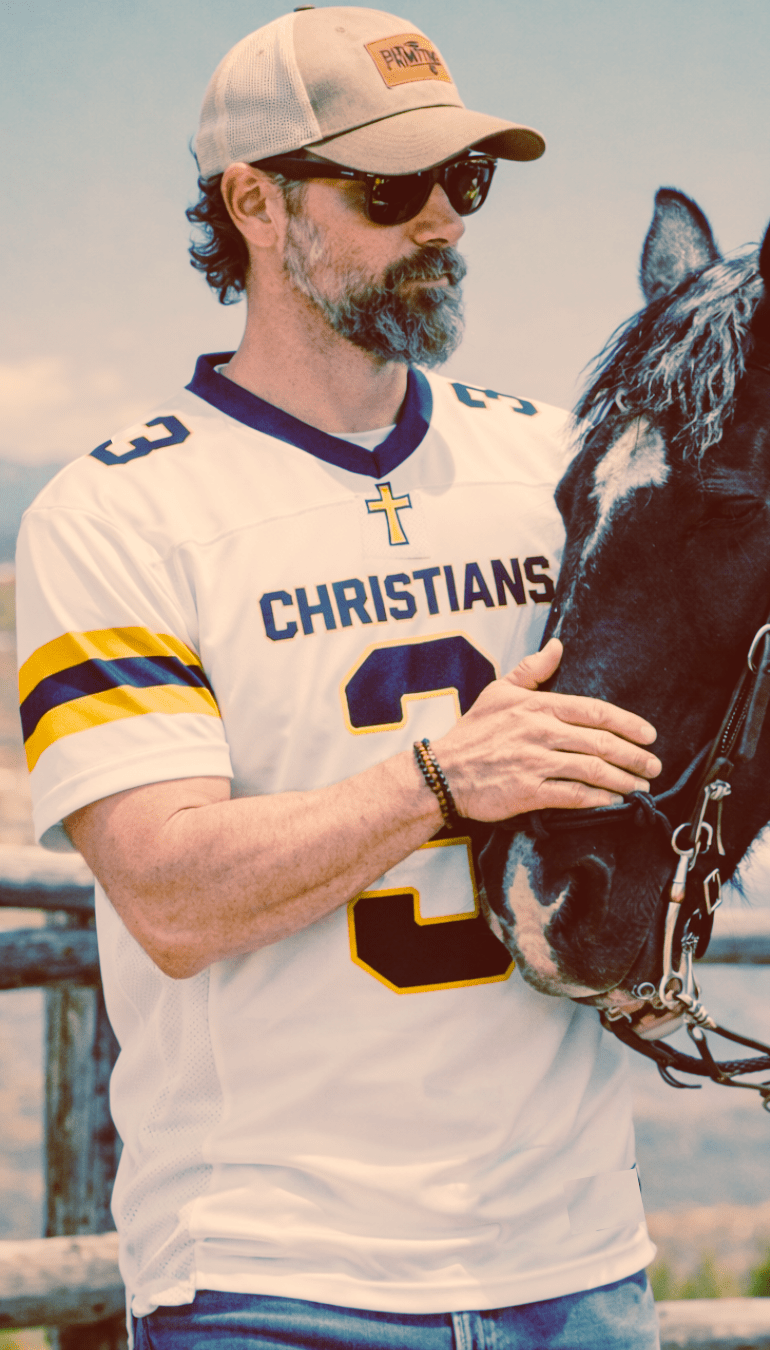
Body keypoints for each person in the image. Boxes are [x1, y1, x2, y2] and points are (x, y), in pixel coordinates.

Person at [16, 8, 665, 1349]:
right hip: (274, 1281)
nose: (443, 222)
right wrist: (438, 783)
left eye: (465, 182)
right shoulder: (116, 514)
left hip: (578, 1266)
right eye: (392, 188)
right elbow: (171, 893)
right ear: (252, 201)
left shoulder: (558, 467)